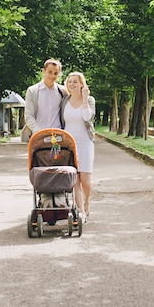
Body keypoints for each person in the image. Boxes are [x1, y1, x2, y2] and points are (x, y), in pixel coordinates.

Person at [61, 71, 95, 222]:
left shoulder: (89, 100)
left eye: (75, 81)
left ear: (82, 84)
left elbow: (87, 117)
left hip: (85, 143)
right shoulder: (64, 101)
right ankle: (80, 211)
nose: (72, 84)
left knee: (85, 179)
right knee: (74, 179)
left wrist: (85, 99)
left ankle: (87, 202)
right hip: (69, 144)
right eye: (70, 82)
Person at [22, 58, 67, 140]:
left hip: (58, 137)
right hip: (38, 137)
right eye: (50, 72)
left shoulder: (63, 91)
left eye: (56, 73)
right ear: (43, 71)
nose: (52, 76)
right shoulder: (33, 91)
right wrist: (38, 132)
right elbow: (29, 116)